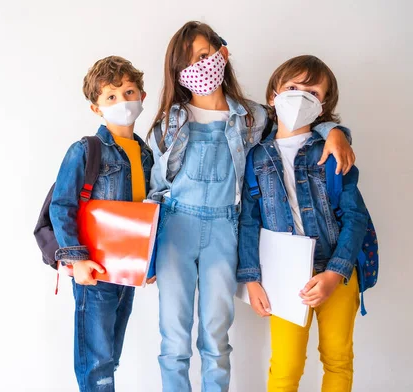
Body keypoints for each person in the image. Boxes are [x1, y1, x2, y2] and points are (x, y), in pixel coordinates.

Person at [147, 21, 355, 392]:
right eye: (189, 62)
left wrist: (336, 132)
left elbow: (300, 126)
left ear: (222, 54)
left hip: (226, 227)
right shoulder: (169, 122)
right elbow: (157, 189)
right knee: (174, 340)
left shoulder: (252, 118)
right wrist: (145, 253)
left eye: (206, 56)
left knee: (216, 337)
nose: (200, 67)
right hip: (175, 229)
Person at [238, 55, 368, 392]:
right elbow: (248, 223)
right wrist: (250, 279)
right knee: (285, 365)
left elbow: (355, 216)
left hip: (337, 273)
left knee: (338, 358)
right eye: (292, 88)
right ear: (273, 95)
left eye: (311, 91)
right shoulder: (255, 155)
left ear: (323, 105)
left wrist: (335, 272)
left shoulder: (333, 150)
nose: (299, 96)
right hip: (284, 277)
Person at [49, 55, 154, 392]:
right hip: (94, 272)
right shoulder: (86, 150)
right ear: (96, 108)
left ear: (142, 96)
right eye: (111, 96)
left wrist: (148, 262)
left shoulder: (146, 154)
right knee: (95, 362)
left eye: (128, 92)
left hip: (128, 273)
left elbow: (147, 213)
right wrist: (76, 260)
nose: (122, 101)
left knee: (111, 356)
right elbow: (61, 205)